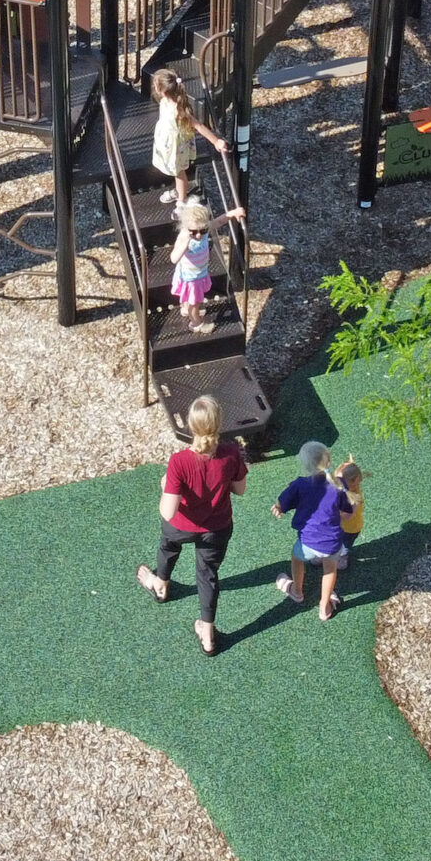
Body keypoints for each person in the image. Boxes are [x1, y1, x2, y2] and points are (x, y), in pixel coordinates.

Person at [137, 395, 246, 655]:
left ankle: (161, 585)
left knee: (168, 546)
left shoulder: (179, 461)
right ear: (219, 424)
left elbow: (167, 511)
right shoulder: (231, 453)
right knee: (207, 574)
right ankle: (208, 635)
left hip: (182, 527)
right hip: (217, 529)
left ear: (189, 426)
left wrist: (166, 485)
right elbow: (240, 490)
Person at [276, 449, 364, 621]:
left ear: (306, 466)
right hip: (331, 544)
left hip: (308, 541)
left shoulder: (301, 484)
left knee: (296, 558)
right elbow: (347, 513)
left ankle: (297, 592)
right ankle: (324, 608)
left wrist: (279, 507)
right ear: (329, 463)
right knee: (329, 570)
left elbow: (284, 499)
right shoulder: (339, 489)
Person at [148, 69, 229, 208]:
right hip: (167, 143)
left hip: (175, 148)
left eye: (156, 85)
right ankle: (180, 191)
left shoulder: (178, 111)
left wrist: (216, 141)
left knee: (179, 173)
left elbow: (198, 125)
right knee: (175, 171)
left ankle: (181, 199)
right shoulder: (166, 101)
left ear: (162, 90)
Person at [169, 198, 243, 335]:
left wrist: (233, 213)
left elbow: (220, 221)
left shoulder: (204, 228)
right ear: (185, 226)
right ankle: (196, 323)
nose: (198, 235)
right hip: (191, 278)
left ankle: (186, 309)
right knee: (194, 303)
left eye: (202, 231)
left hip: (199, 272)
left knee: (190, 300)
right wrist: (184, 245)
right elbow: (173, 258)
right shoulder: (184, 237)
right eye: (194, 231)